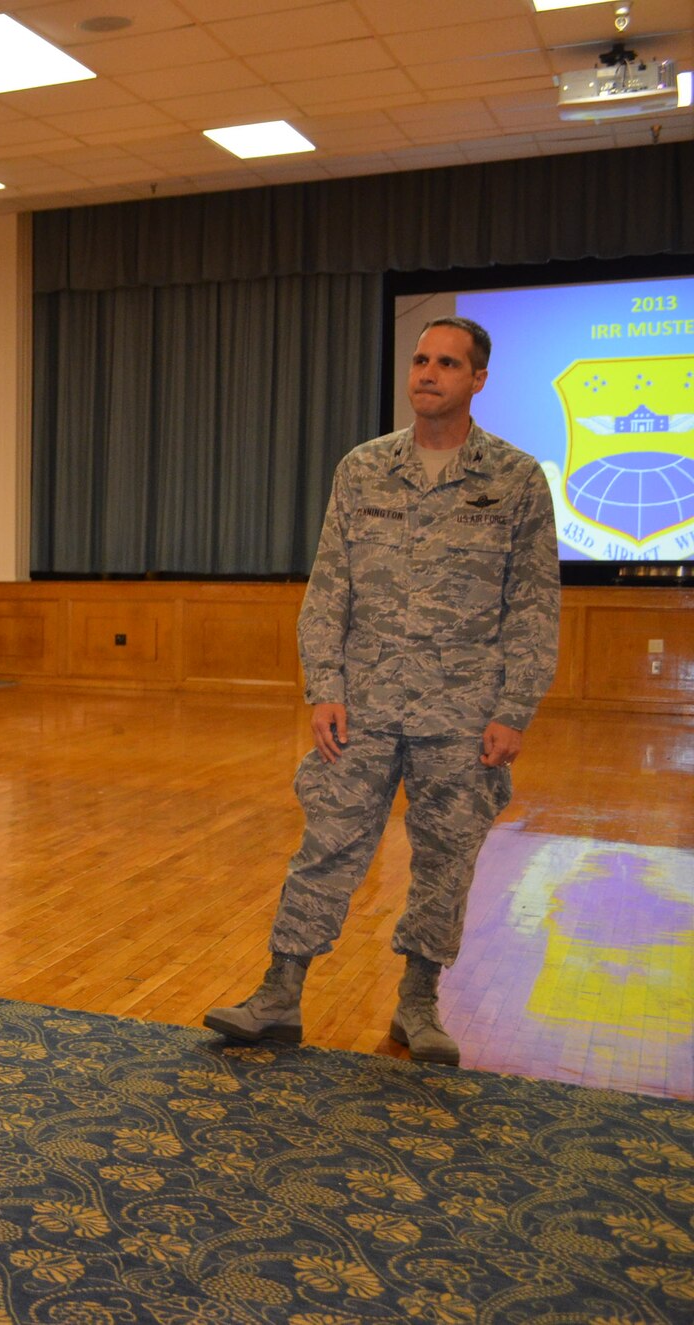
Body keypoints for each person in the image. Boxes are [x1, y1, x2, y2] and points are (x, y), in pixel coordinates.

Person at [205, 316, 559, 1065]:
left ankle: (418, 1003)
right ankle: (278, 993)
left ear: (478, 380)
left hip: (463, 716)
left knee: (445, 860)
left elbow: (533, 605)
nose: (428, 373)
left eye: (448, 363)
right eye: (421, 360)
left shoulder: (517, 479)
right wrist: (323, 687)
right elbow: (327, 588)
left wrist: (512, 708)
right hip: (360, 708)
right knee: (325, 846)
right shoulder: (362, 468)